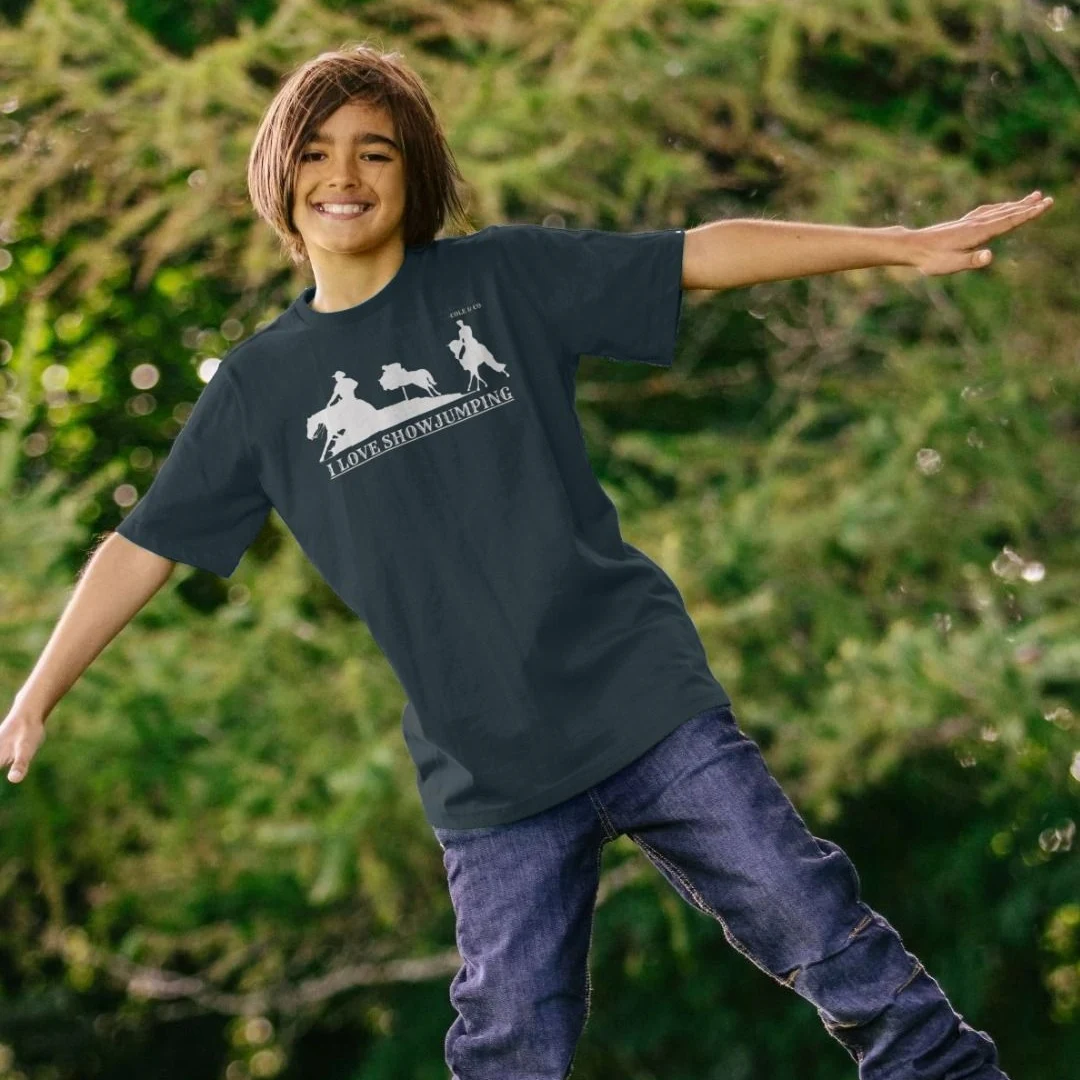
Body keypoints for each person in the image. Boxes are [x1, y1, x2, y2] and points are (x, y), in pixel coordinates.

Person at [3, 40, 1050, 1080]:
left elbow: (695, 254)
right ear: (279, 175)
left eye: (376, 152)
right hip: (490, 770)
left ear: (415, 174)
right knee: (509, 1044)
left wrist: (896, 245)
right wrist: (36, 696)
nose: (343, 174)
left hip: (640, 700)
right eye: (316, 151)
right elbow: (143, 546)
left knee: (812, 917)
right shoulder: (260, 387)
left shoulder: (500, 278)